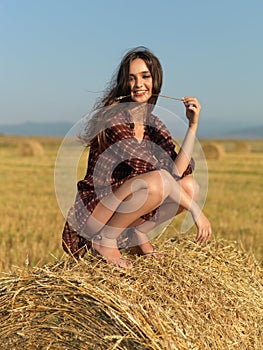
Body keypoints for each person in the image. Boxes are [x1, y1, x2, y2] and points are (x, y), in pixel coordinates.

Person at [62, 46, 212, 268]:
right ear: (125, 84)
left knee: (189, 186)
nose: (139, 84)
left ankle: (138, 235)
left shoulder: (154, 126)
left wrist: (193, 125)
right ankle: (105, 241)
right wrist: (196, 211)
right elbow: (156, 176)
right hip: (96, 213)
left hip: (123, 206)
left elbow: (176, 174)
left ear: (155, 81)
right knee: (160, 182)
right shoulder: (115, 120)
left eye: (145, 76)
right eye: (132, 78)